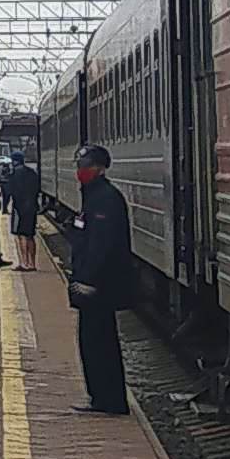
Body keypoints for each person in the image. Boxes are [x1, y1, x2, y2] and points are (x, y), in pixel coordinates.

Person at [67, 145, 136, 415]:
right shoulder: (95, 196)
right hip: (95, 284)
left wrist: (88, 279)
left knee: (99, 343)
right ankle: (102, 397)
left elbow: (102, 245)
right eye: (79, 166)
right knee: (93, 341)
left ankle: (109, 400)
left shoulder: (105, 199)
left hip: (100, 287)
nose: (81, 171)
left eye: (85, 166)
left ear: (99, 168)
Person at [5, 152, 43, 256]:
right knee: (30, 236)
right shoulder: (32, 173)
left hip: (19, 208)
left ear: (14, 161)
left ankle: (24, 262)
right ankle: (32, 262)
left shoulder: (14, 174)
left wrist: (4, 206)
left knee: (21, 235)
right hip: (32, 207)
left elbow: (9, 191)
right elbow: (37, 189)